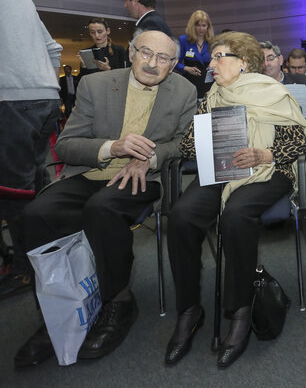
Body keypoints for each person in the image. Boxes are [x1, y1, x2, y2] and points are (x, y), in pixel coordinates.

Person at [14, 30, 196, 367]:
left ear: (173, 65)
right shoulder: (96, 85)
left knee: (103, 208)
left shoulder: (184, 91)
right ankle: (56, 315)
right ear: (131, 52)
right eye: (146, 53)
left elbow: (186, 143)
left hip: (144, 177)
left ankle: (118, 299)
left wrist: (150, 157)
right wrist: (113, 147)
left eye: (163, 59)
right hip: (88, 173)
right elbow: (67, 144)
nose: (153, 64)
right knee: (36, 214)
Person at [166, 32, 306, 368]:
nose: (211, 63)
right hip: (220, 169)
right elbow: (187, 147)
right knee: (182, 216)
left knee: (236, 214)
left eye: (219, 56)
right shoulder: (210, 96)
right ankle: (189, 310)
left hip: (268, 171)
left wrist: (265, 153)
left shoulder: (272, 91)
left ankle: (241, 309)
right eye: (211, 57)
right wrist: (205, 137)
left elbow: (300, 139)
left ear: (244, 62)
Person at [0, 0, 62, 301]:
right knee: (37, 188)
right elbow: (53, 48)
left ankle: (26, 271)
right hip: (43, 97)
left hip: (12, 99)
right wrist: (42, 86)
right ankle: (47, 258)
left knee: (15, 194)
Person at [261, 41, 306, 108]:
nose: (266, 64)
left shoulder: (302, 81)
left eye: (271, 59)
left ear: (280, 60)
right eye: (261, 60)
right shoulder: (254, 86)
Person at [175, 10, 214, 99]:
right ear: (193, 26)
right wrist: (185, 68)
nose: (201, 29)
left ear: (208, 26)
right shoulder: (184, 40)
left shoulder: (211, 42)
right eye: (198, 25)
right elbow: (174, 62)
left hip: (207, 83)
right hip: (190, 82)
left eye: (204, 25)